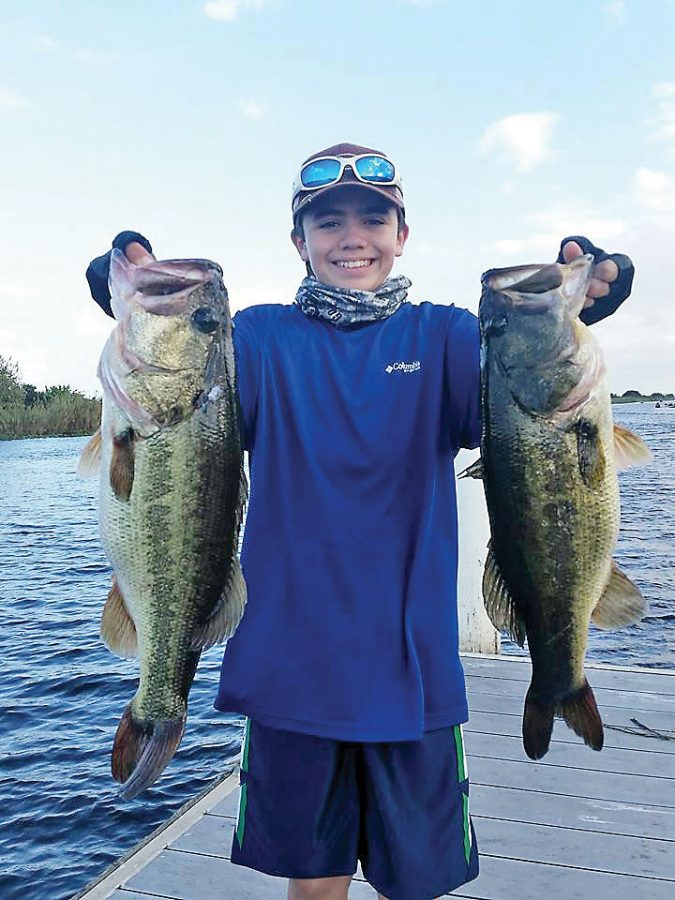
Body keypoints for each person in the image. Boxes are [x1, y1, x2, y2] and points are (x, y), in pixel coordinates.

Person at [86, 143, 634, 900]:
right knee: (314, 885)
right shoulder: (257, 339)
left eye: (373, 219)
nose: (352, 237)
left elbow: (525, 403)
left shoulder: (443, 337)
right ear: (299, 242)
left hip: (410, 670)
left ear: (401, 234)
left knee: (416, 884)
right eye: (328, 222)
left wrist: (575, 310)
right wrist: (131, 304)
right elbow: (185, 401)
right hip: (288, 668)